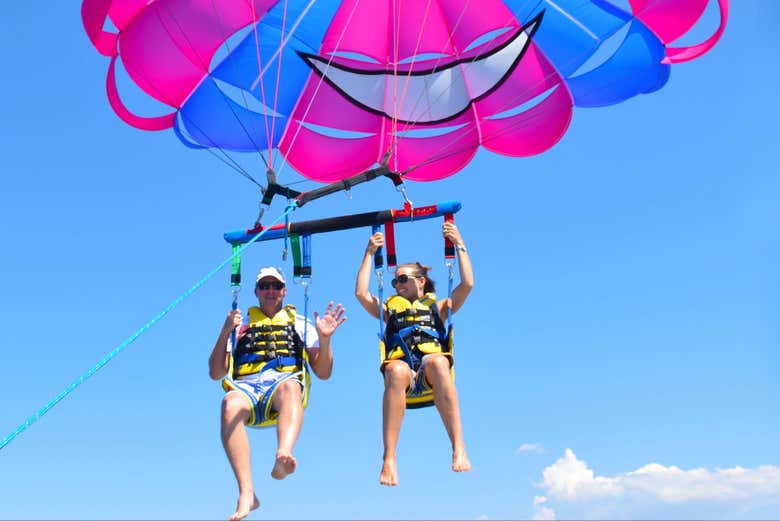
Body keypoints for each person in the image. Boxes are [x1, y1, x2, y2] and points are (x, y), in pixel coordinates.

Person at [209, 266, 346, 520]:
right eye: (265, 286)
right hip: (247, 389)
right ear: (256, 291)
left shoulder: (301, 324)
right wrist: (225, 331)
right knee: (228, 403)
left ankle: (283, 455)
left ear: (284, 291)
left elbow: (323, 373)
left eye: (275, 286)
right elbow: (216, 372)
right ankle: (247, 493)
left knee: (290, 385)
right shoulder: (239, 326)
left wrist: (325, 340)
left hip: (282, 388)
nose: (270, 291)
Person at [355, 221, 473, 486]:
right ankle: (389, 457)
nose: (398, 284)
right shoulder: (389, 310)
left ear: (421, 281)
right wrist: (368, 254)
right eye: (396, 280)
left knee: (437, 361)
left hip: (433, 374)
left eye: (403, 279)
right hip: (404, 377)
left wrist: (459, 244)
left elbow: (467, 284)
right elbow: (361, 294)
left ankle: (458, 446)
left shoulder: (440, 306)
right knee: (395, 369)